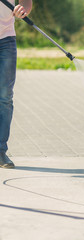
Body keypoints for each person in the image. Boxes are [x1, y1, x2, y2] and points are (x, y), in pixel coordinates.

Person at [0, 0, 32, 168]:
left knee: (5, 97)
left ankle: (0, 151)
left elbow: (26, 2)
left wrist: (23, 9)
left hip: (6, 40)